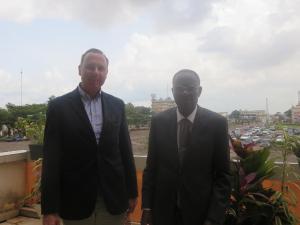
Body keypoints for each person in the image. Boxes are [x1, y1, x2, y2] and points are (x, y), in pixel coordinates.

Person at [41, 48, 138, 225]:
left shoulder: (117, 105)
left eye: (101, 68)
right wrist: (49, 210)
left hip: (113, 197)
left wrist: (132, 193)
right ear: (79, 70)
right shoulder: (58, 107)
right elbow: (51, 160)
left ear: (107, 73)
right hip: (75, 198)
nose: (96, 72)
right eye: (90, 67)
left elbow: (125, 151)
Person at [141, 69, 231, 225]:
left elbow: (223, 176)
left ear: (200, 91)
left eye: (190, 88)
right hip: (163, 212)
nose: (185, 92)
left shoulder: (217, 123)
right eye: (179, 88)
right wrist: (147, 207)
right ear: (172, 91)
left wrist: (214, 218)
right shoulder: (159, 122)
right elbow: (151, 167)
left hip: (201, 214)